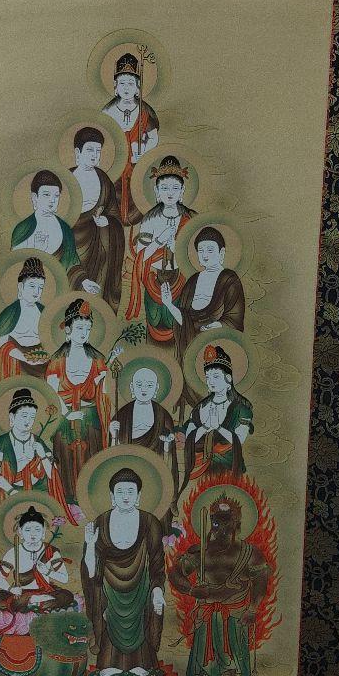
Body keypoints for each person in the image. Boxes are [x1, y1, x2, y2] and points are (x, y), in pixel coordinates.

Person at [168, 495, 272, 676]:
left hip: (235, 609)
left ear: (237, 524)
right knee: (204, 644)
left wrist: (253, 609)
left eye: (227, 524)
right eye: (216, 523)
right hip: (207, 609)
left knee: (233, 643)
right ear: (210, 523)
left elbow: (261, 580)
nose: (222, 529)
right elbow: (175, 573)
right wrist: (191, 590)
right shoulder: (199, 552)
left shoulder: (250, 553)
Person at [81, 467, 167, 676]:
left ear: (138, 496)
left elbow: (157, 562)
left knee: (141, 618)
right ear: (112, 496)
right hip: (108, 587)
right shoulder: (101, 522)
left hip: (141, 586)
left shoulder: (150, 522)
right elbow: (90, 571)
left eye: (130, 491)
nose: (125, 496)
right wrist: (90, 546)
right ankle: (109, 662)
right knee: (109, 617)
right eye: (120, 491)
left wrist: (157, 590)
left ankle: (142, 662)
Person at [0, 388, 70, 555]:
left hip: (38, 491)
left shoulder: (38, 442)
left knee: (45, 526)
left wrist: (43, 455)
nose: (28, 421)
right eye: (24, 416)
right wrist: (12, 491)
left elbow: (52, 475)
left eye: (32, 417)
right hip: (9, 492)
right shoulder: (0, 443)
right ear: (12, 418)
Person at [44, 299, 120, 503]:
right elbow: (51, 393)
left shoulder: (97, 359)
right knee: (66, 462)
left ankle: (92, 498)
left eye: (87, 328)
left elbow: (103, 392)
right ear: (68, 330)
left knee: (92, 460)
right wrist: (67, 414)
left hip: (91, 419)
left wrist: (110, 418)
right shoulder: (57, 361)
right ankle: (69, 501)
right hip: (64, 421)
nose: (83, 333)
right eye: (79, 328)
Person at [165, 227, 246, 402]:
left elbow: (235, 317)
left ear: (221, 252)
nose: (205, 255)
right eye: (201, 251)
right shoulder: (192, 281)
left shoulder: (229, 279)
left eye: (210, 250)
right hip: (189, 346)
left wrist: (218, 326)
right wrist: (169, 305)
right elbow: (184, 321)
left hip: (217, 346)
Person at [125, 156, 196, 343]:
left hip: (183, 279)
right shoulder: (150, 219)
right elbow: (141, 257)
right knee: (155, 323)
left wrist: (177, 248)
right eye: (164, 188)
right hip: (154, 280)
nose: (170, 193)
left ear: (182, 191)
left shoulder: (191, 219)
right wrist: (159, 241)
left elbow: (197, 255)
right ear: (156, 191)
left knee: (182, 327)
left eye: (175, 188)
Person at [66, 127, 125, 313]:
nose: (94, 155)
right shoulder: (66, 179)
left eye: (98, 151)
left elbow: (115, 218)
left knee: (96, 295)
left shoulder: (104, 180)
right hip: (70, 244)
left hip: (100, 248)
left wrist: (107, 222)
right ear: (78, 152)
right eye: (90, 150)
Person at [181, 345, 254, 485]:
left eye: (216, 376)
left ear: (228, 378)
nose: (211, 381)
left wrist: (218, 428)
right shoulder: (200, 408)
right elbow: (190, 436)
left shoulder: (241, 409)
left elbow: (239, 439)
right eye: (208, 377)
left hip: (228, 467)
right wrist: (205, 427)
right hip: (199, 468)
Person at [100, 51, 159, 225]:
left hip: (137, 165)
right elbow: (102, 139)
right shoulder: (107, 112)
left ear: (138, 87)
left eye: (131, 83)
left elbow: (153, 138)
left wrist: (144, 152)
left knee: (139, 196)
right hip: (115, 165)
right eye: (122, 83)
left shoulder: (144, 111)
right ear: (115, 86)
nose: (126, 88)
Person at [0, 506, 74, 614]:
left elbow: (64, 579)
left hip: (46, 592)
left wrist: (47, 572)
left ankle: (32, 602)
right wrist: (11, 589)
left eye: (37, 529)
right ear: (20, 531)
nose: (33, 534)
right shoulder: (13, 552)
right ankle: (33, 601)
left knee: (66, 596)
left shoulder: (50, 551)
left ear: (43, 532)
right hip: (21, 594)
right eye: (28, 530)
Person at [0, 256, 48, 382]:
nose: (37, 291)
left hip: (42, 361)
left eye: (40, 287)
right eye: (32, 286)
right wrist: (24, 357)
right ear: (21, 287)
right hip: (17, 361)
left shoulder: (44, 311)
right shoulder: (10, 312)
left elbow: (51, 337)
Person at [10, 170, 81, 271]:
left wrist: (83, 279)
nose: (52, 200)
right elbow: (15, 267)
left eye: (56, 195)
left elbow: (73, 265)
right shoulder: (22, 229)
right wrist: (37, 249)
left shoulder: (65, 229)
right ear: (35, 197)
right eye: (46, 195)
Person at [110, 366, 176, 456]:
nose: (144, 389)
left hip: (153, 461)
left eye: (149, 385)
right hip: (127, 459)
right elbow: (114, 453)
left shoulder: (163, 415)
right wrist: (114, 436)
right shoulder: (122, 415)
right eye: (139, 385)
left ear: (156, 388)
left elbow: (168, 454)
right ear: (132, 387)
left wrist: (167, 444)